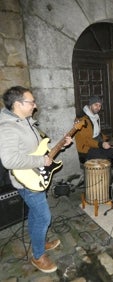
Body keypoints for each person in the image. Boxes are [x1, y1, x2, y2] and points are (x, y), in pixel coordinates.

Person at [0, 86, 72, 273]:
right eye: (31, 102)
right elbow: (8, 160)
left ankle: (39, 242)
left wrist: (61, 144)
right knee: (44, 216)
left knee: (35, 214)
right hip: (27, 180)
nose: (35, 105)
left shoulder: (26, 121)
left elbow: (40, 148)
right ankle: (38, 256)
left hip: (35, 175)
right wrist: (41, 160)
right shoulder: (8, 127)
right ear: (18, 104)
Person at [75, 96, 113, 163]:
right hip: (86, 148)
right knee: (105, 160)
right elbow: (86, 141)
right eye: (96, 105)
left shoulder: (95, 116)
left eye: (100, 106)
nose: (98, 108)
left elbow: (98, 133)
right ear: (90, 105)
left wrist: (109, 141)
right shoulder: (82, 119)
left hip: (96, 144)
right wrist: (101, 144)